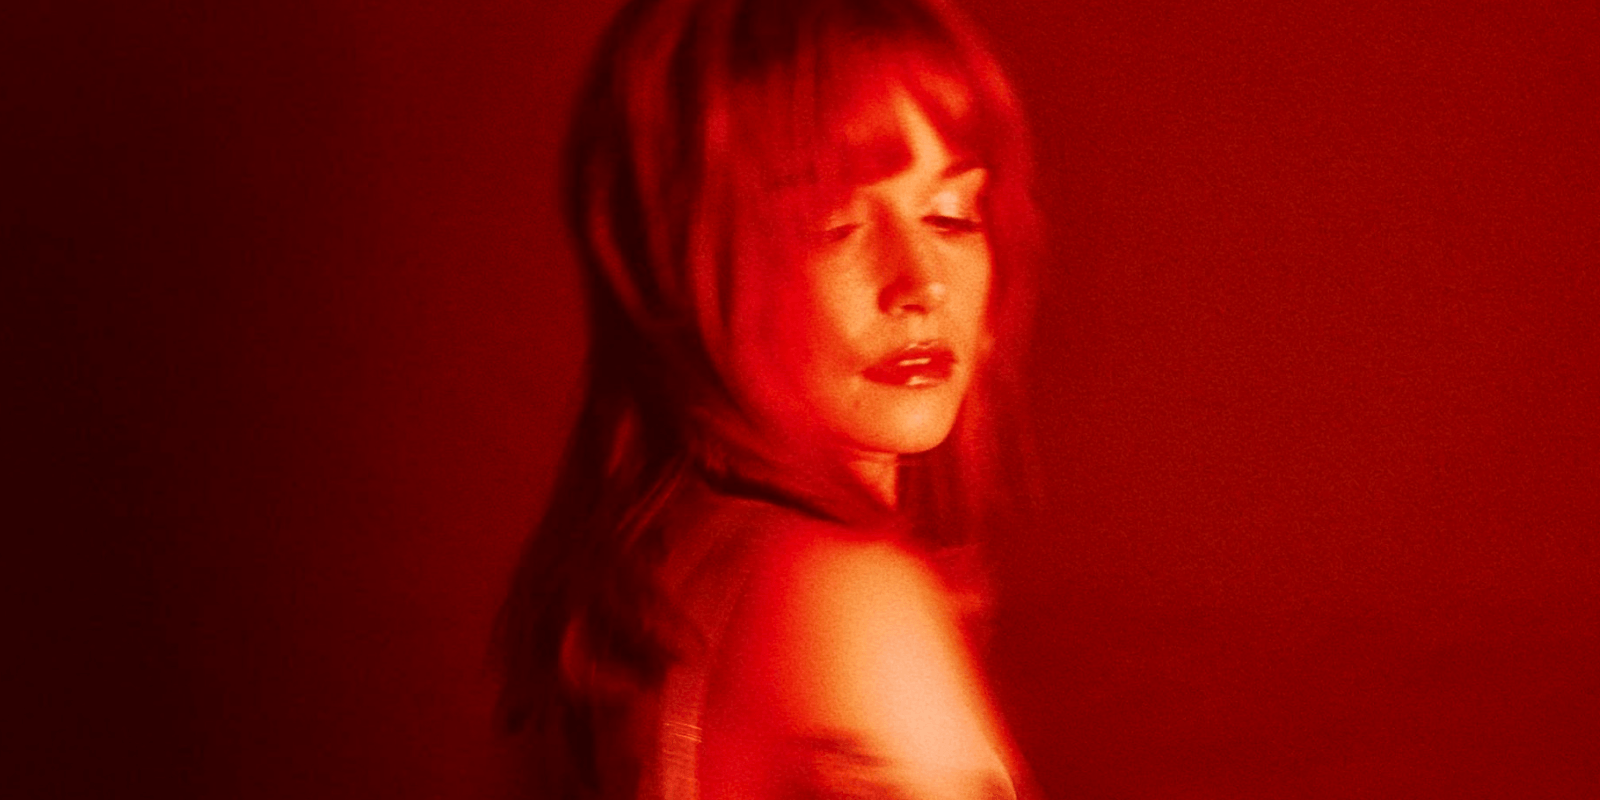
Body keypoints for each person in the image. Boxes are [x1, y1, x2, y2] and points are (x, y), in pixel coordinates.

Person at [496, 0, 1042, 796]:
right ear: (681, 263)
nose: (921, 283)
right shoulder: (845, 599)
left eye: (951, 215)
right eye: (833, 224)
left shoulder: (635, 592)